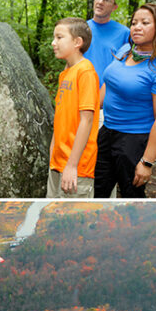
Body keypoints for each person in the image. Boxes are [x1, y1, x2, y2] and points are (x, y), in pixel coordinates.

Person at [95, 3, 156, 198]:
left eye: (145, 23)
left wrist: (146, 162)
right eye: (134, 23)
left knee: (131, 196)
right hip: (106, 132)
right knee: (98, 190)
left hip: (133, 140)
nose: (137, 27)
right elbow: (109, 84)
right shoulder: (126, 50)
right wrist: (91, 112)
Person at [47, 17, 100, 198]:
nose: (53, 43)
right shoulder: (65, 74)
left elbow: (86, 120)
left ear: (78, 42)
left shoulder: (85, 71)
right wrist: (52, 153)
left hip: (76, 167)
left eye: (59, 37)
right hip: (57, 163)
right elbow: (61, 117)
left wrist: (72, 165)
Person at [83, 0, 130, 87]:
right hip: (81, 90)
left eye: (107, 0)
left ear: (114, 7)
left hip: (108, 94)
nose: (100, 2)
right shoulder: (81, 28)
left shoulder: (125, 33)